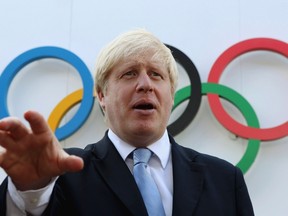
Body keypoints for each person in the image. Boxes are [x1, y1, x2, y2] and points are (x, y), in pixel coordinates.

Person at [0, 29, 254, 216]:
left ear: (172, 95)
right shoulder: (62, 174)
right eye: (129, 73)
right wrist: (30, 191)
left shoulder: (224, 179)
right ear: (102, 95)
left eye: (156, 74)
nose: (145, 84)